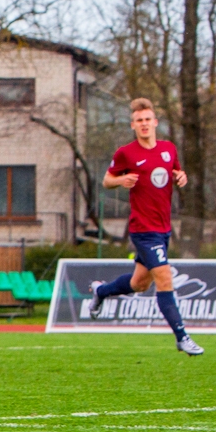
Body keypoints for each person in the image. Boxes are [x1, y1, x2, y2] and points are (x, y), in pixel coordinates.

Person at [88, 98, 202, 356]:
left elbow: (175, 172)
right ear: (133, 125)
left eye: (148, 119)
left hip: (163, 229)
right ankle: (182, 337)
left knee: (140, 283)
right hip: (143, 229)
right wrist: (122, 180)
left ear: (155, 123)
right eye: (139, 121)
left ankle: (100, 291)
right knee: (164, 277)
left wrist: (181, 176)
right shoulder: (126, 153)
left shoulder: (169, 148)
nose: (144, 124)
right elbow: (107, 181)